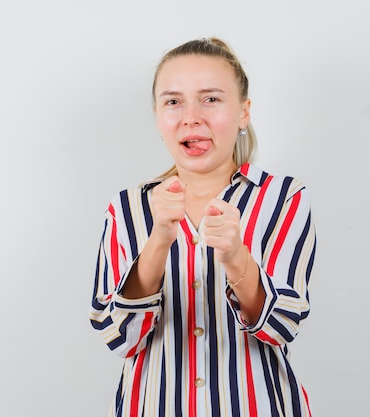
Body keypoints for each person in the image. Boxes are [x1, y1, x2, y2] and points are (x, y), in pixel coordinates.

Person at [90, 37, 317, 417]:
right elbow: (120, 336)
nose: (190, 117)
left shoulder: (284, 198)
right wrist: (158, 241)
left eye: (210, 99)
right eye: (173, 101)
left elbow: (282, 325)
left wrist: (236, 257)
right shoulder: (127, 208)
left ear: (243, 112)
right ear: (158, 115)